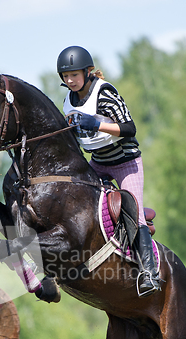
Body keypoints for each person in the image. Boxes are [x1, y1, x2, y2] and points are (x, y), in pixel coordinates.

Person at [56, 45, 161, 296]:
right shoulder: (67, 103)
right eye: (65, 76)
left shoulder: (104, 93)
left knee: (134, 217)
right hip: (98, 163)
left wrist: (96, 123)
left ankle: (150, 273)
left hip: (125, 162)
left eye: (74, 75)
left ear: (88, 71)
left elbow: (129, 128)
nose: (70, 80)